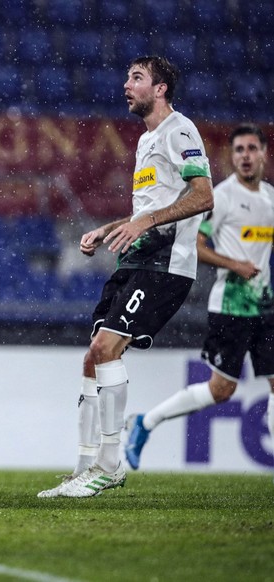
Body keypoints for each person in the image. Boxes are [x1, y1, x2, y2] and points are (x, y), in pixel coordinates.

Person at [38, 56, 214, 498]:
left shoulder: (180, 131)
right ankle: (83, 467)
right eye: (127, 77)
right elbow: (146, 213)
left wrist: (145, 222)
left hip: (165, 265)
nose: (126, 84)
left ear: (160, 89)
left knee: (105, 348)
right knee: (91, 358)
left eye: (136, 78)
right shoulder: (146, 140)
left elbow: (203, 196)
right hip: (134, 261)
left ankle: (110, 466)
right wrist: (111, 227)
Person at [124, 123, 274, 470]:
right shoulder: (221, 196)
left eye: (252, 148)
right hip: (231, 307)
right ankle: (146, 422)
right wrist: (233, 263)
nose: (246, 156)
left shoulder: (269, 199)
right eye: (239, 150)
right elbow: (197, 244)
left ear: (264, 153)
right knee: (221, 390)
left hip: (266, 307)